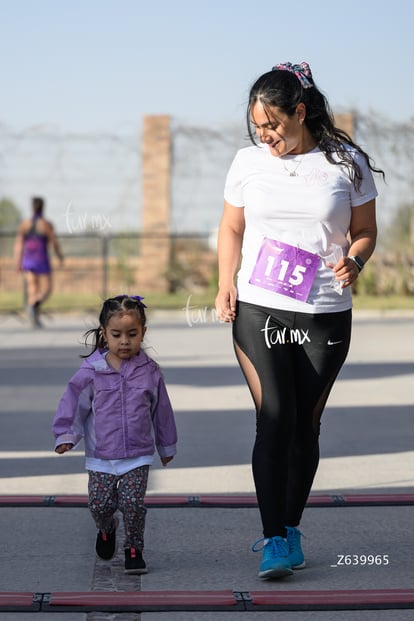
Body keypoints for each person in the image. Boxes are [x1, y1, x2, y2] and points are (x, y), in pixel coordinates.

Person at [215, 62, 384, 580]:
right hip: (261, 305)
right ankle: (271, 540)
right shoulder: (247, 162)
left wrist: (355, 260)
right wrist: (225, 283)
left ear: (300, 112)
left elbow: (365, 231)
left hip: (324, 313)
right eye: (257, 127)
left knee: (305, 424)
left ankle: (289, 528)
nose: (265, 136)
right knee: (275, 418)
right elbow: (231, 226)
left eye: (274, 126)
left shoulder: (345, 162)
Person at [52, 295, 177, 574]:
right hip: (101, 455)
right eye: (116, 334)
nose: (124, 341)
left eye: (132, 334)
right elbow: (74, 404)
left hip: (138, 454)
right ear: (104, 332)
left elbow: (162, 412)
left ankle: (134, 547)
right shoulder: (91, 372)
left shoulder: (150, 372)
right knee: (99, 504)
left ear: (143, 332)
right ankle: (106, 528)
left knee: (133, 504)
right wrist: (66, 435)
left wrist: (166, 447)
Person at [14, 196, 64, 327]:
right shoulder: (46, 224)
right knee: (46, 290)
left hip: (28, 261)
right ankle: (33, 307)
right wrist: (60, 257)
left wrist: (18, 262)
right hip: (41, 260)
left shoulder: (25, 224)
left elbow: (19, 245)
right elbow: (54, 243)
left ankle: (33, 313)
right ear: (43, 207)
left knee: (32, 289)